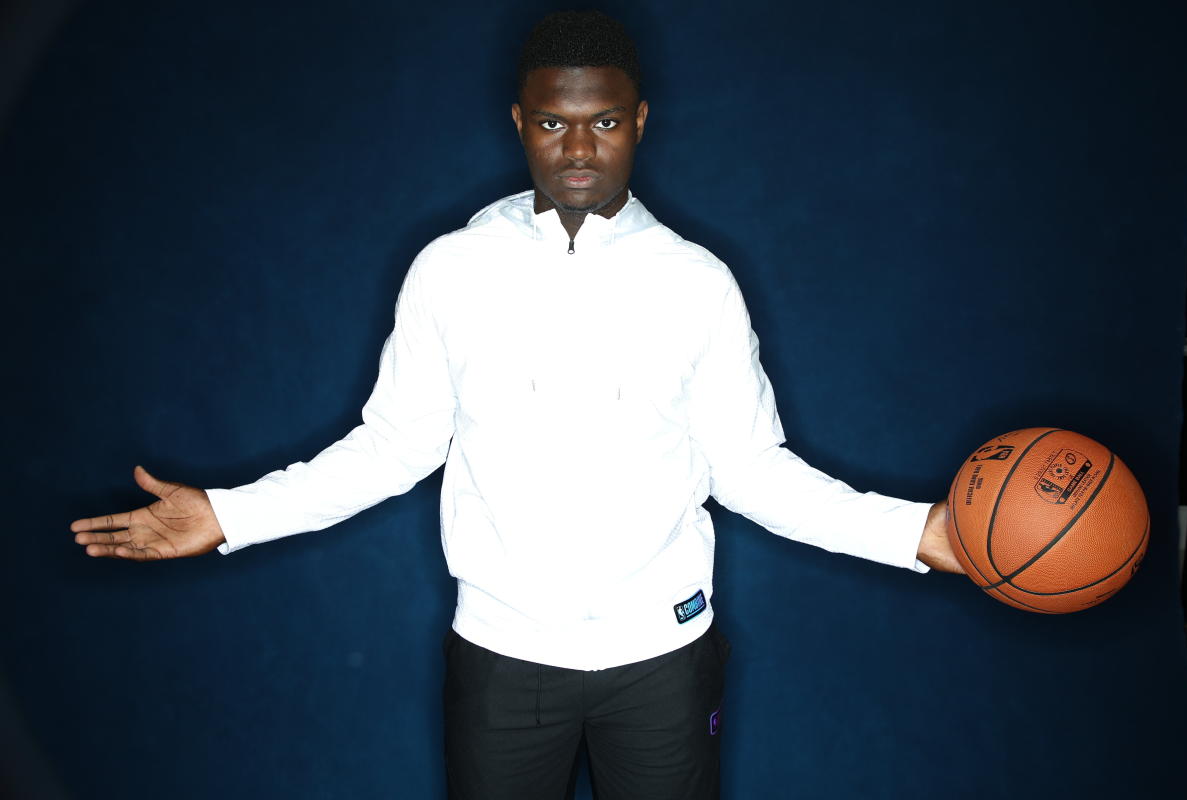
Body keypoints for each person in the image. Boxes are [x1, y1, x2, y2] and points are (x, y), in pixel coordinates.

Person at [71, 10, 964, 800]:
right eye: (554, 122)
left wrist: (914, 532)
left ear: (641, 122)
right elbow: (390, 449)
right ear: (520, 123)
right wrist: (229, 516)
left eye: (605, 122)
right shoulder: (450, 270)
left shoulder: (698, 284)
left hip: (663, 660)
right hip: (501, 660)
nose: (579, 150)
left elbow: (754, 472)